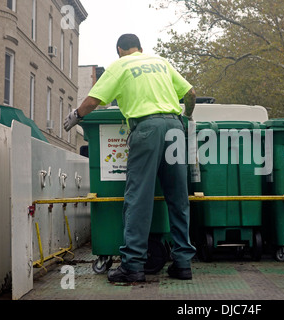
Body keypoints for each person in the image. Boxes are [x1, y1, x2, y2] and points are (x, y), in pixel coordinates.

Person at [64, 33, 197, 282]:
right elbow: (190, 94)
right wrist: (186, 117)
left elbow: (93, 100)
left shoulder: (120, 65)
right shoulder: (161, 62)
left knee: (138, 198)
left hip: (147, 129)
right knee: (178, 198)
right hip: (175, 128)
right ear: (141, 48)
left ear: (119, 50)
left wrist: (77, 115)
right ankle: (182, 264)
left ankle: (133, 266)